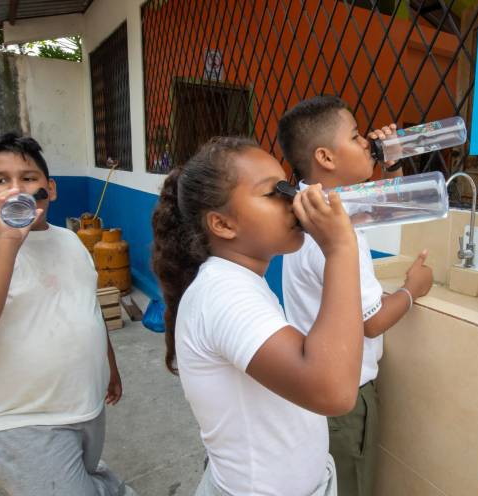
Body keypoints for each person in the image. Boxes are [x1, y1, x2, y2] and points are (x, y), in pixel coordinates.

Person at [151, 136, 364, 496]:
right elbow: (333, 391)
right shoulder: (223, 293)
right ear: (222, 224)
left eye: (289, 185)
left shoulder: (239, 282)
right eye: (273, 192)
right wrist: (341, 248)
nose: (293, 199)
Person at [0, 132, 131, 496]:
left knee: (82, 474)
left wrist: (109, 365)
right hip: (23, 421)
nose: (16, 190)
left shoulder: (71, 240)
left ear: (50, 189)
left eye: (28, 179)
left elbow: (86, 307)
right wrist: (9, 239)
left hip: (84, 406)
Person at [277, 96, 435, 496]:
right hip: (345, 401)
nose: (367, 142)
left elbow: (400, 204)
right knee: (350, 486)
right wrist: (412, 290)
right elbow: (372, 320)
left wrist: (393, 161)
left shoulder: (312, 211)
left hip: (317, 389)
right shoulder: (335, 233)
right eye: (356, 135)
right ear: (326, 157)